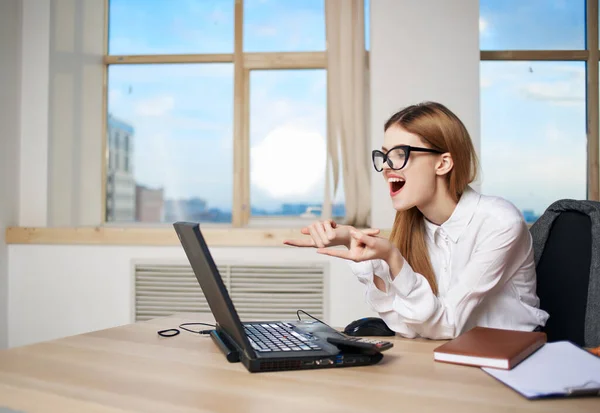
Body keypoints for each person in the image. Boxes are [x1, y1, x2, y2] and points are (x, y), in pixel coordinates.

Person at [283, 101, 549, 340]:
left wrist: (394, 259)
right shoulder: (415, 225)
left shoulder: (499, 222)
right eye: (385, 155)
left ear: (443, 163)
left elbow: (446, 324)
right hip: (452, 356)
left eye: (400, 154)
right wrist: (364, 250)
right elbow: (409, 326)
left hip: (510, 361)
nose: (387, 166)